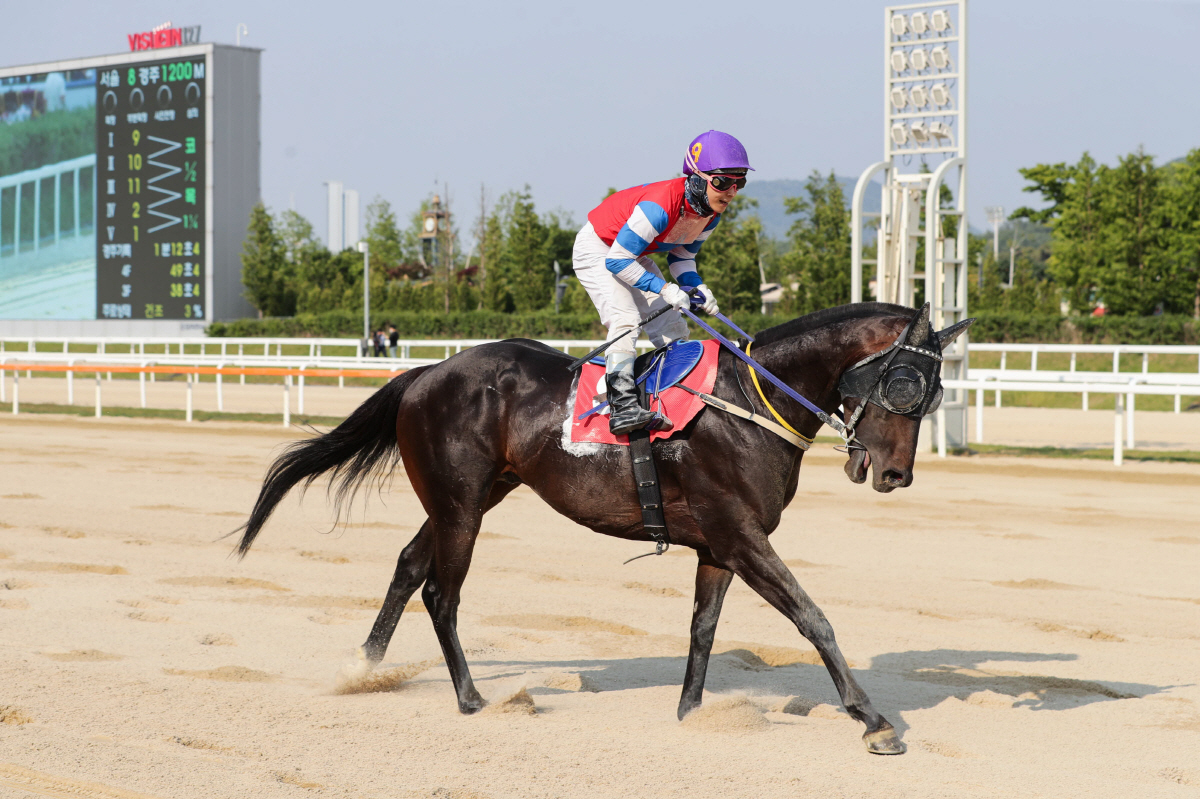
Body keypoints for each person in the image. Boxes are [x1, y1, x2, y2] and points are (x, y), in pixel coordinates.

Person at [572, 130, 751, 435]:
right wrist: (666, 289)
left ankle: (670, 398)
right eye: (722, 182)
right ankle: (622, 407)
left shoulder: (711, 214)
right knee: (626, 318)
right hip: (600, 248)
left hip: (632, 253)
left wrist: (697, 288)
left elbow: (681, 259)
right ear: (696, 178)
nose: (731, 191)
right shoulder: (658, 206)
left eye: (739, 182)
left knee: (673, 328)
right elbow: (616, 261)